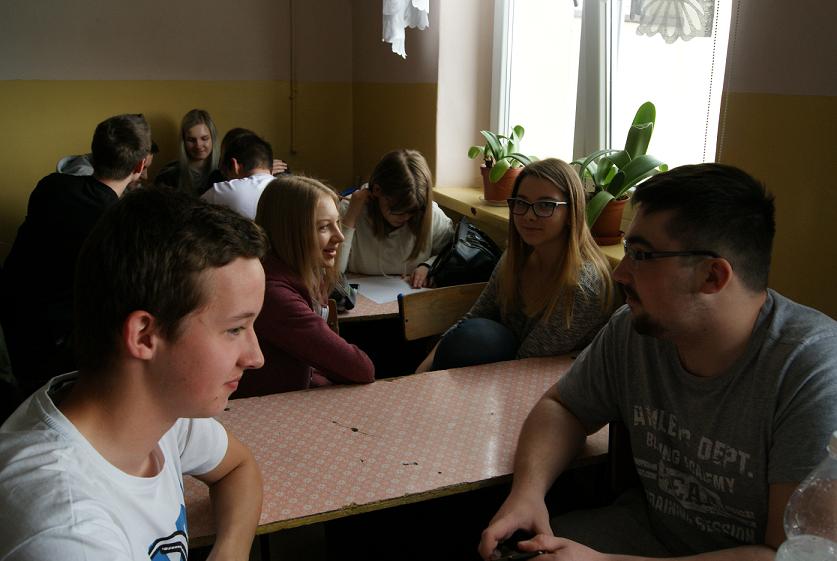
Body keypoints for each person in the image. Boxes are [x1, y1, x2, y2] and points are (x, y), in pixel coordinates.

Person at [478, 164, 837, 561]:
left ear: (712, 276)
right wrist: (527, 494)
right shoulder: (636, 329)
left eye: (641, 255)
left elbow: (788, 556)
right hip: (644, 533)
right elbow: (563, 407)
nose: (620, 272)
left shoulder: (813, 370)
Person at [0, 186, 266, 559]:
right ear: (144, 336)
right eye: (235, 329)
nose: (256, 357)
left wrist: (230, 551)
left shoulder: (160, 413)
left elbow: (238, 466)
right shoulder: (66, 533)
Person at [1, 113, 150, 398]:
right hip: (56, 349)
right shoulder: (119, 224)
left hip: (11, 325)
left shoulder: (50, 185)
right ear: (140, 165)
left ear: (93, 154)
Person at [416, 158, 614, 372]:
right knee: (473, 334)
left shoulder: (582, 286)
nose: (529, 216)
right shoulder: (516, 257)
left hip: (546, 379)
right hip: (508, 369)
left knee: (479, 338)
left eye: (545, 205)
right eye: (521, 203)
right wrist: (423, 370)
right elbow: (476, 315)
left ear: (571, 212)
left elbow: (528, 362)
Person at [237, 175, 375, 396]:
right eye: (324, 227)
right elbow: (360, 368)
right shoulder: (274, 294)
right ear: (290, 232)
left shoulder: (303, 273)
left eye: (337, 223)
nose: (340, 236)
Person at [337, 149, 454, 288]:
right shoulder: (349, 209)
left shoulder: (431, 214)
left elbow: (450, 254)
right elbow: (334, 273)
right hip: (360, 298)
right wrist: (350, 217)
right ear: (377, 190)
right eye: (397, 210)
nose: (405, 217)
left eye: (412, 211)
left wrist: (428, 266)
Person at [201, 131, 275, 219]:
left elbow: (191, 212)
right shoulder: (286, 188)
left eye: (226, 174)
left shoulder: (222, 191)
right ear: (271, 168)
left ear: (234, 165)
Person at [155, 108, 219, 195]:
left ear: (213, 139)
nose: (198, 145)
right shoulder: (167, 175)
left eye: (204, 138)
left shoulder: (225, 172)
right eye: (191, 140)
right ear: (183, 142)